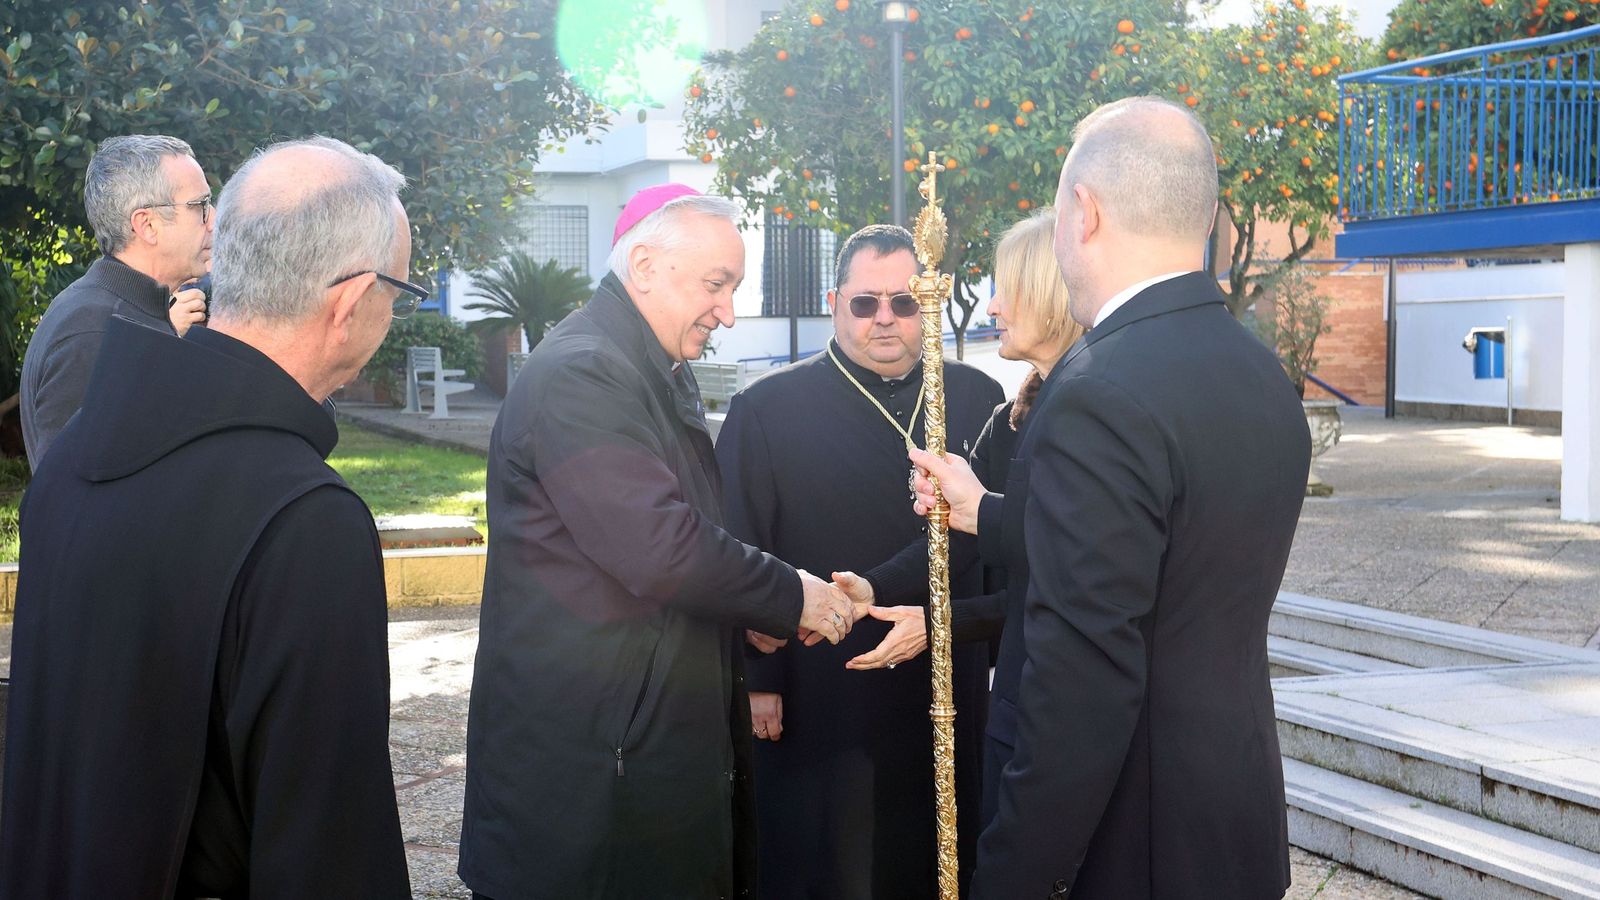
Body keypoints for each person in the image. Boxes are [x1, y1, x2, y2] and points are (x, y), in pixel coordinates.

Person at [911, 97, 1311, 899]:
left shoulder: (1100, 391)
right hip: (1231, 824)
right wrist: (986, 511)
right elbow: (1161, 553)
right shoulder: (1260, 371)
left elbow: (1080, 684)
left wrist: (1012, 881)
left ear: (1084, 213)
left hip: (1131, 844)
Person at [0, 136, 417, 898]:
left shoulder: (75, 453)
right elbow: (329, 850)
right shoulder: (305, 522)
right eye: (400, 293)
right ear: (352, 301)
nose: (394, 315)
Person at [458, 184, 860, 900]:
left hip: (627, 746)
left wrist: (746, 615)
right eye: (716, 285)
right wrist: (790, 595)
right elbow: (660, 548)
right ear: (644, 265)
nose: (727, 313)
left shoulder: (642, 363)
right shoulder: (586, 371)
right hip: (590, 776)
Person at [715, 224, 1003, 899]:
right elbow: (740, 545)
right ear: (834, 302)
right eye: (866, 302)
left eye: (904, 302)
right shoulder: (767, 408)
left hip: (942, 672)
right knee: (828, 860)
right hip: (822, 683)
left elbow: (996, 540)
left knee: (939, 850)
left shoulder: (976, 396)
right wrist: (758, 678)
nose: (885, 318)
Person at [841, 210, 1086, 830]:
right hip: (1022, 692)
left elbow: (1069, 577)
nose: (992, 307)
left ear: (1048, 295)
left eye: (1005, 290)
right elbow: (956, 534)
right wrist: (872, 588)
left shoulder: (1091, 410)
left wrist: (942, 624)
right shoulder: (1014, 416)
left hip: (1068, 692)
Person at [21, 134, 214, 469]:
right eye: (200, 206)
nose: (213, 219)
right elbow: (67, 490)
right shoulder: (93, 331)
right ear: (147, 225)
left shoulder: (128, 314)